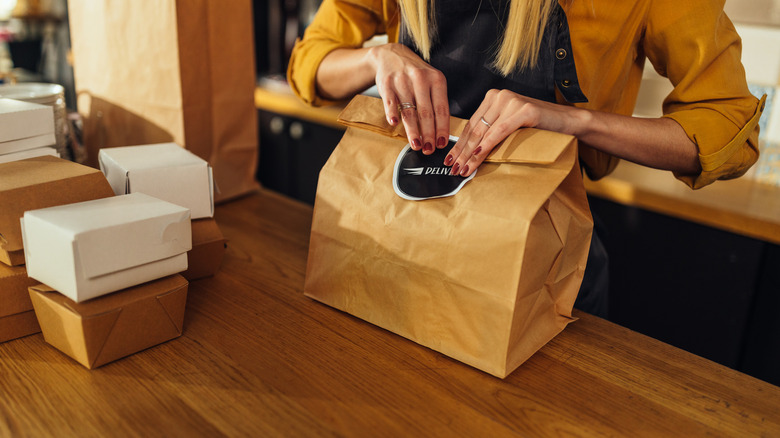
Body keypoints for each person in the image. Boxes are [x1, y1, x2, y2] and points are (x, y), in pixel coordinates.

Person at [286, 0, 764, 317]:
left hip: (539, 261)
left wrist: (574, 120)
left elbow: (730, 129)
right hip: (401, 235)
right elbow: (309, 65)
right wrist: (377, 58)